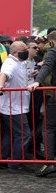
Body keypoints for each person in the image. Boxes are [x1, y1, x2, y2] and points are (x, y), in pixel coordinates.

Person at [0, 41, 33, 172]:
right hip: (13, 108)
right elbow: (3, 75)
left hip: (14, 106)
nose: (26, 51)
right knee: (23, 134)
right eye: (24, 49)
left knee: (11, 133)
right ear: (15, 52)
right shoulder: (10, 63)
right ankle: (15, 163)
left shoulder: (20, 62)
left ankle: (0, 158)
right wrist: (0, 85)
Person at [28, 31, 56, 177]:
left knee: (48, 128)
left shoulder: (52, 51)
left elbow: (47, 66)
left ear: (51, 42)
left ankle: (49, 162)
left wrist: (37, 81)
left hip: (55, 96)